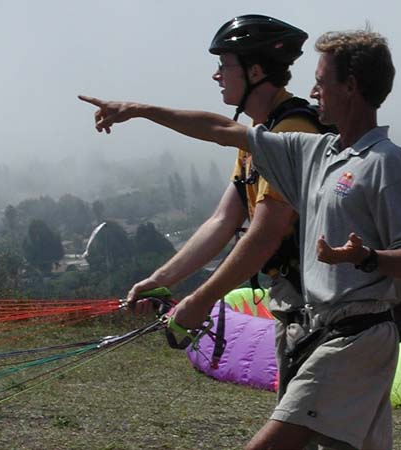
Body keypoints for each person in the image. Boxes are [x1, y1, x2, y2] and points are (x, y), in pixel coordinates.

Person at [80, 28, 401, 450]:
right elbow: (220, 131)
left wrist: (367, 257)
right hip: (319, 331)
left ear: (352, 87)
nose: (313, 91)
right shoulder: (316, 152)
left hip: (354, 338)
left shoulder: (386, 162)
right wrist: (139, 110)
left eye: (321, 82)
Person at [124, 14, 323, 400]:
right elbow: (223, 220)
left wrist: (200, 301)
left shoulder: (291, 132)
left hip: (316, 304)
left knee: (304, 425)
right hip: (297, 298)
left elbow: (266, 233)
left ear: (256, 70)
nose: (216, 76)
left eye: (224, 65)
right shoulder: (257, 137)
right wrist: (160, 279)